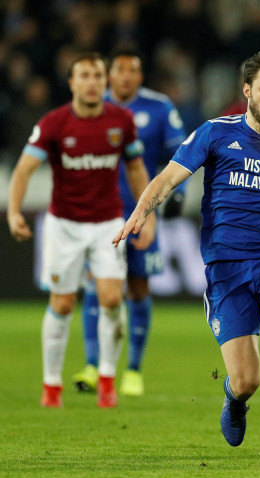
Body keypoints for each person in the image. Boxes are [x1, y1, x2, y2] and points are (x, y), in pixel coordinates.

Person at [112, 51, 260, 464]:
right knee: (247, 380)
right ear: (247, 90)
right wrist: (141, 213)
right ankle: (234, 398)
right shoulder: (215, 133)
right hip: (227, 268)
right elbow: (168, 178)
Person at [6, 52, 154, 409]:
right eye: (84, 75)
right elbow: (23, 169)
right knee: (62, 302)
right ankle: (51, 385)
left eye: (97, 76)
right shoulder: (54, 123)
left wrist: (146, 216)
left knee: (111, 299)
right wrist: (13, 212)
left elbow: (136, 169)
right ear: (72, 83)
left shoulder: (121, 121)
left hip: (108, 223)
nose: (91, 82)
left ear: (105, 82)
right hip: (64, 225)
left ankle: (107, 380)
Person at [72, 49, 187, 397]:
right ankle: (92, 365)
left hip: (141, 213)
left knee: (138, 287)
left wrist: (177, 195)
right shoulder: (92, 107)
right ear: (110, 75)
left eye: (131, 70)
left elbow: (180, 153)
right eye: (119, 70)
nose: (124, 76)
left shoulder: (160, 107)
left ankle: (133, 370)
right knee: (96, 285)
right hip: (100, 213)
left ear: (140, 76)